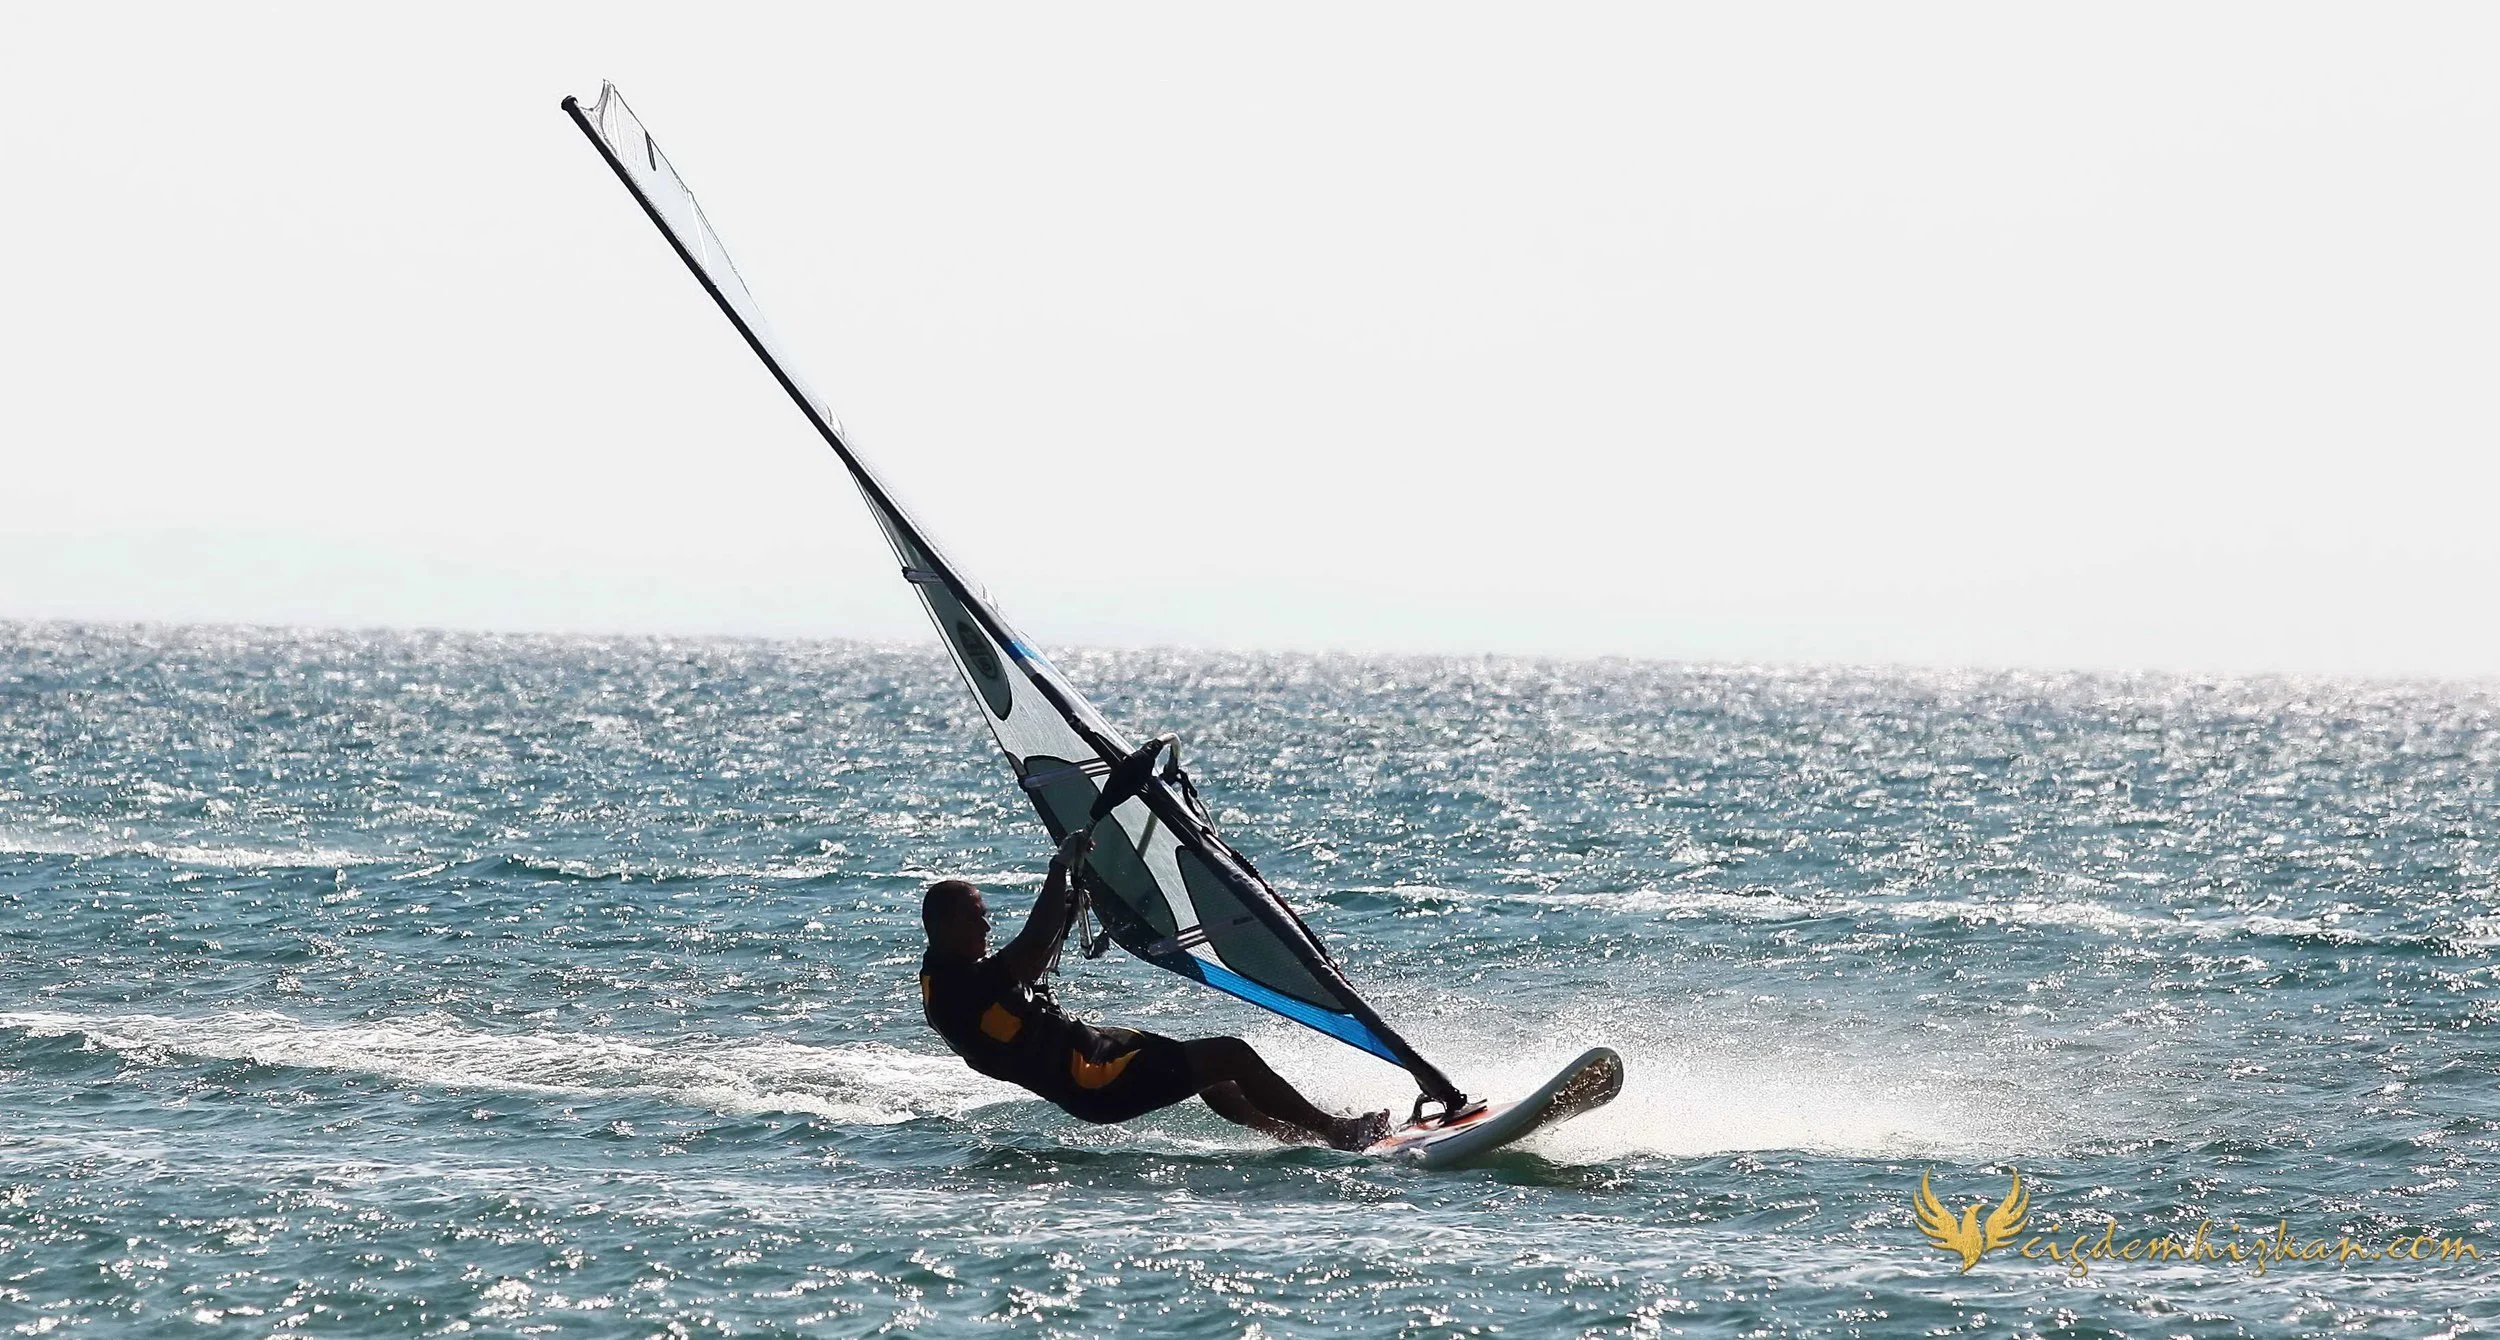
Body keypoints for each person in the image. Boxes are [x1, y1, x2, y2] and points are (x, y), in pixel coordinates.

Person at [919, 827, 1391, 1150]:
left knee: (1212, 1073)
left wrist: (1064, 910)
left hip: (1095, 1053)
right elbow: (1027, 953)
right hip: (1094, 1079)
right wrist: (1057, 868)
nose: (986, 921)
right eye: (973, 914)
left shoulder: (952, 971)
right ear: (943, 926)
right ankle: (1335, 1131)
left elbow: (1027, 969)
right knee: (1230, 1054)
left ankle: (1302, 1134)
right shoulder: (957, 988)